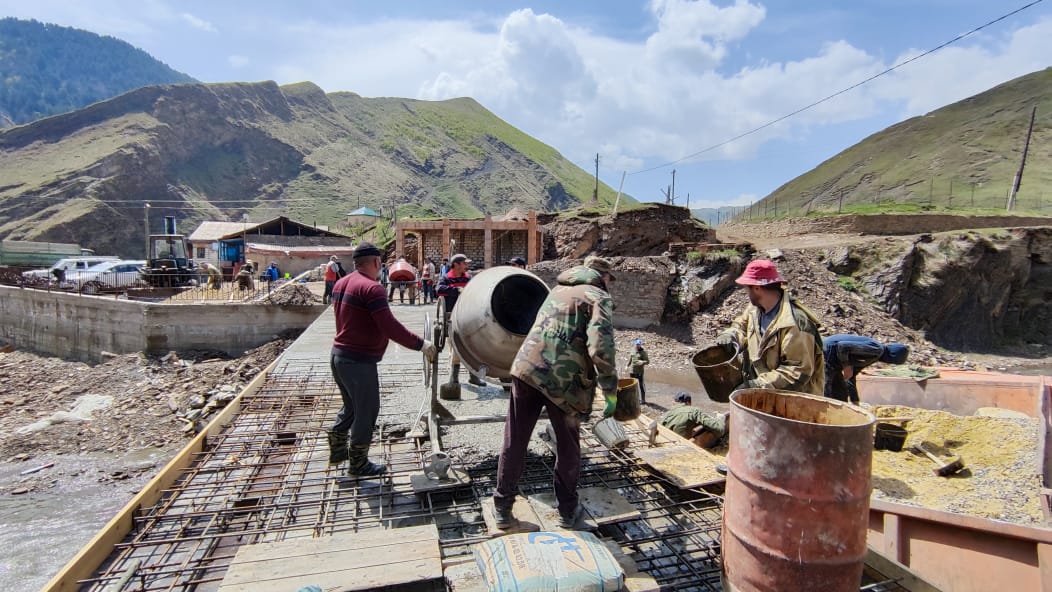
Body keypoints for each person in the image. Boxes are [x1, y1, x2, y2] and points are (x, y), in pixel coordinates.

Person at [492, 255, 619, 530]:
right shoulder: (599, 297)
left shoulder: (557, 289)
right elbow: (601, 347)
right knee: (568, 446)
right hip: (563, 381)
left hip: (526, 369)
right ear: (604, 277)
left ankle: (502, 509)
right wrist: (610, 389)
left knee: (515, 439)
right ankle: (567, 511)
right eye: (610, 280)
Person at [327, 242, 437, 476]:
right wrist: (421, 344)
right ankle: (357, 464)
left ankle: (337, 449)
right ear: (376, 262)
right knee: (366, 411)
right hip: (358, 362)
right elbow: (389, 327)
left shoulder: (340, 283)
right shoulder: (372, 288)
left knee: (351, 407)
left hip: (338, 357)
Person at [715, 259, 825, 395]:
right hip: (764, 395)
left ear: (757, 288)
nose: (746, 293)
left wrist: (756, 385)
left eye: (747, 288)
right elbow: (741, 327)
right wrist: (730, 336)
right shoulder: (754, 310)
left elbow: (796, 372)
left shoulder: (793, 323)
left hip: (792, 404)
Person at [436, 253, 484, 387]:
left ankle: (474, 377)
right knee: (456, 347)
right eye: (464, 263)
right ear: (456, 265)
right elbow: (439, 290)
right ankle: (454, 377)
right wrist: (456, 290)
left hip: (468, 317)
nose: (467, 266)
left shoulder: (468, 278)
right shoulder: (446, 279)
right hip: (452, 318)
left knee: (473, 347)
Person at [823, 335, 909, 404]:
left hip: (834, 360)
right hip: (827, 352)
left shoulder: (873, 356)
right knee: (826, 391)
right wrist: (847, 366)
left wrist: (855, 401)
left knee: (841, 394)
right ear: (892, 357)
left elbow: (850, 377)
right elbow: (842, 346)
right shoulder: (877, 349)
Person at [659, 393, 729, 449]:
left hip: (664, 441)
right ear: (689, 403)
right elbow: (719, 429)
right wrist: (721, 418)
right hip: (678, 447)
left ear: (674, 403)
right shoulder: (693, 410)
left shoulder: (667, 414)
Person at [625, 339, 649, 404]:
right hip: (632, 371)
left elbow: (647, 361)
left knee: (641, 385)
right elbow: (630, 359)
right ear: (635, 344)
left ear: (640, 345)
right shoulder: (632, 350)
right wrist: (627, 366)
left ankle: (643, 400)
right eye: (636, 344)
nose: (637, 346)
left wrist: (642, 362)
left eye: (639, 344)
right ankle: (633, 398)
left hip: (639, 372)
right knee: (632, 385)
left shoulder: (643, 353)